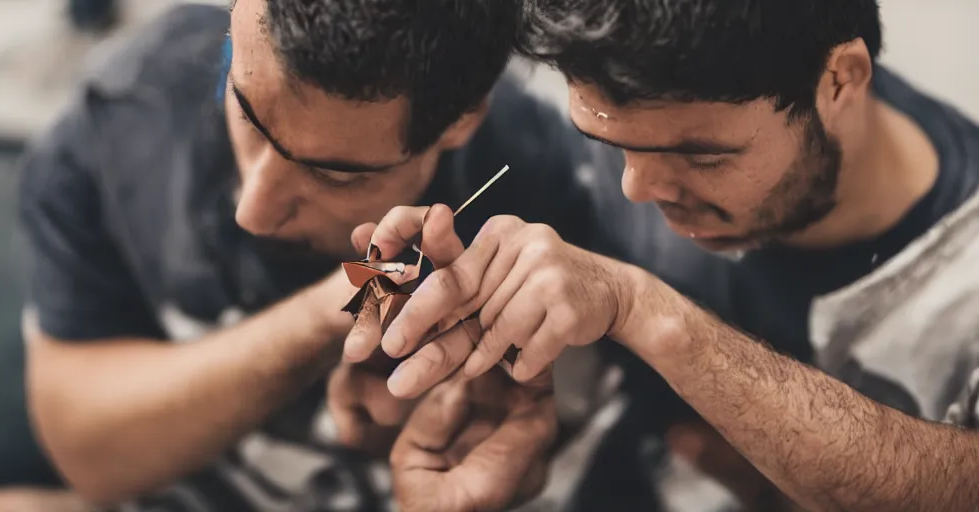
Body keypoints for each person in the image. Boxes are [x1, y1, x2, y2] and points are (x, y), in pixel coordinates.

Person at [345, 0, 979, 510]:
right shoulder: (639, 99)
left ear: (840, 81)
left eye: (700, 156)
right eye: (604, 141)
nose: (637, 189)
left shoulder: (961, 285)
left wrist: (644, 312)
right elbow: (417, 176)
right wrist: (377, 321)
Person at [0, 0, 603, 511]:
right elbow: (89, 454)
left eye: (332, 175)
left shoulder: (546, 183)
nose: (253, 210)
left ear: (461, 122)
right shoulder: (122, 119)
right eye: (248, 113)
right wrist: (339, 309)